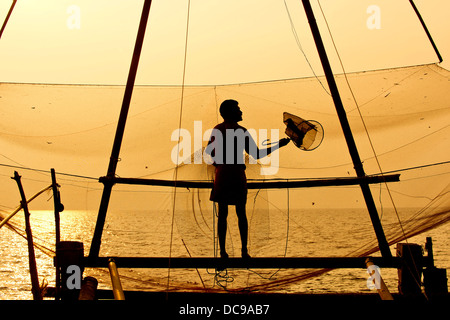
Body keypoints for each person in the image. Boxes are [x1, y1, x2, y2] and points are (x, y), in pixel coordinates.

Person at [205, 99, 290, 259]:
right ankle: (244, 251)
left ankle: (223, 252)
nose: (241, 112)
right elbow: (257, 154)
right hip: (236, 174)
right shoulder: (241, 131)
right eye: (238, 109)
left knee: (222, 214)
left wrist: (219, 163)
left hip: (222, 174)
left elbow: (209, 154)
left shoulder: (218, 129)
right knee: (240, 213)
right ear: (230, 112)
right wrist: (278, 145)